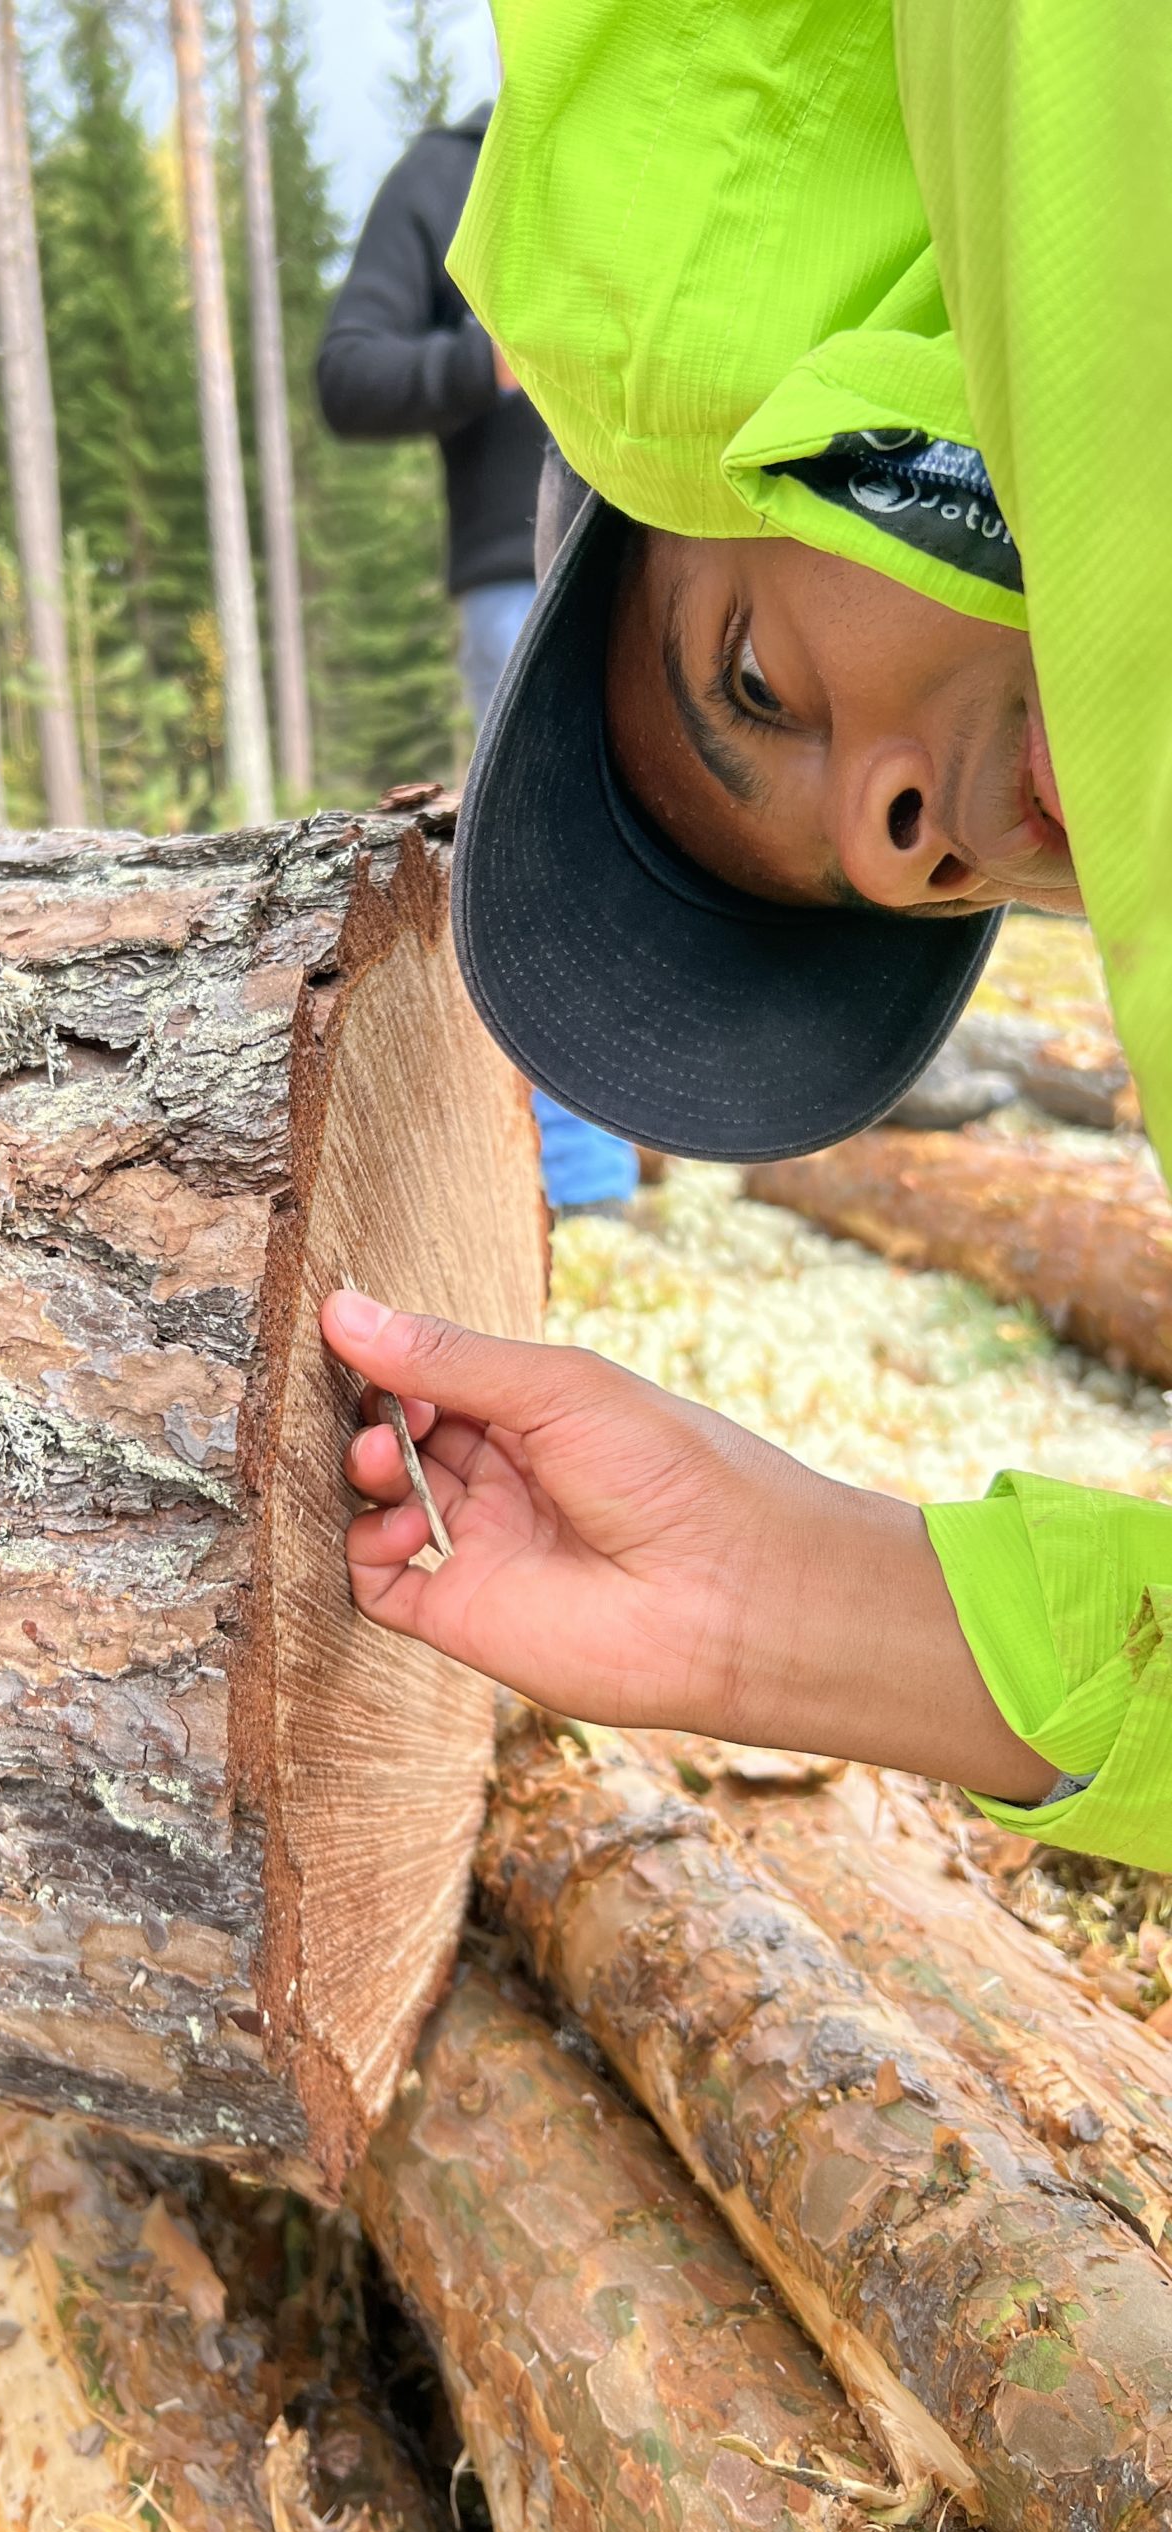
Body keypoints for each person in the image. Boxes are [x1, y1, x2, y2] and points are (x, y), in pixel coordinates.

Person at [320, 0, 1172, 1873]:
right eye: (898, 887)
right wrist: (771, 1612)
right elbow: (352, 373)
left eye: (759, 679)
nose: (902, 858)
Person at [316, 97, 639, 1221]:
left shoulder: (652, 137)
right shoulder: (445, 176)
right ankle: (585, 1188)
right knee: (557, 856)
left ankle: (633, 1152)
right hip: (523, 575)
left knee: (654, 850)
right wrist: (486, 358)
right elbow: (349, 372)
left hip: (674, 566)